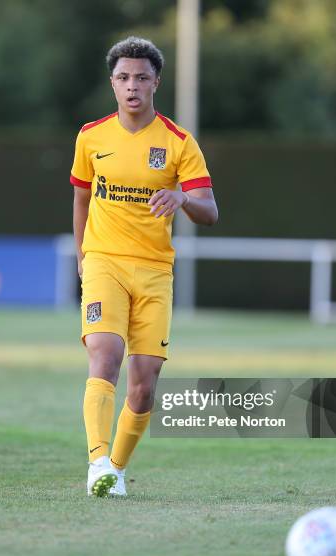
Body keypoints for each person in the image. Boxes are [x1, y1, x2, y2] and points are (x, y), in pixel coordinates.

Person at [70, 37, 218, 497]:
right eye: (122, 78)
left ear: (156, 82)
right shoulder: (91, 137)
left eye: (140, 77)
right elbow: (81, 199)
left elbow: (210, 210)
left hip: (155, 271)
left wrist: (183, 197)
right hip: (104, 264)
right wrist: (83, 258)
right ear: (112, 83)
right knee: (105, 356)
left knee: (144, 385)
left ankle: (117, 467)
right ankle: (98, 463)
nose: (131, 86)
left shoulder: (177, 143)